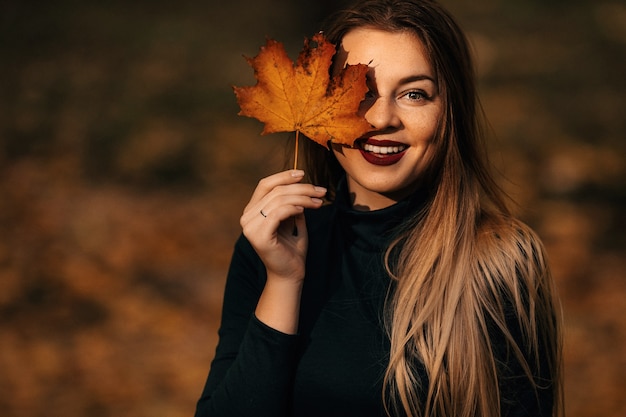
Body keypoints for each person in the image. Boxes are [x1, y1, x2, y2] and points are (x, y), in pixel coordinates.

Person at [194, 0, 563, 416]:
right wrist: (283, 281)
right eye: (361, 92)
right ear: (320, 107)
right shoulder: (268, 248)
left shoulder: (499, 262)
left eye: (414, 94)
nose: (382, 117)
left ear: (450, 112)